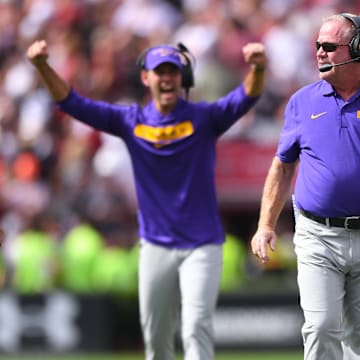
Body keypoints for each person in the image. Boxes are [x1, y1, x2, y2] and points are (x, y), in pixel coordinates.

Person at [27, 39, 267, 360]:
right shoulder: (132, 121)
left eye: (173, 72)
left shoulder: (204, 118)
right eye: (160, 72)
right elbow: (72, 102)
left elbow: (246, 96)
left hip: (203, 245)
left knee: (196, 327)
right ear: (146, 78)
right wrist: (42, 65)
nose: (167, 78)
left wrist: (258, 68)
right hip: (156, 245)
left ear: (183, 78)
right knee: (155, 340)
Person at [250, 13, 360, 360]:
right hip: (317, 235)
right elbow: (283, 166)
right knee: (321, 325)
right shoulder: (302, 101)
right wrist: (266, 224)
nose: (320, 54)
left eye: (330, 47)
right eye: (317, 47)